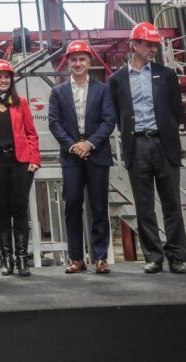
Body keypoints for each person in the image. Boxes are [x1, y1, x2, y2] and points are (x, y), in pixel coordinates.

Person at [109, 22, 186, 275]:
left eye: (155, 45)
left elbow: (177, 112)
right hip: (137, 146)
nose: (153, 49)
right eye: (147, 44)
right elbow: (116, 115)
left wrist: (165, 133)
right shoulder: (117, 80)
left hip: (163, 144)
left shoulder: (166, 76)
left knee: (171, 203)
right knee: (144, 206)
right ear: (135, 45)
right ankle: (154, 256)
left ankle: (176, 256)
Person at [48, 40, 116, 275]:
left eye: (82, 59)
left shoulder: (103, 89)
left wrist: (90, 143)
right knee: (72, 206)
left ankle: (100, 257)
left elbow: (109, 120)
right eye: (74, 59)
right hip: (72, 157)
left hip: (97, 155)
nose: (78, 63)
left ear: (89, 62)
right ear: (68, 62)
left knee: (99, 207)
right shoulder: (58, 92)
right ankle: (76, 258)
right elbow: (54, 123)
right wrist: (73, 146)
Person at [0, 60, 41, 277]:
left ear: (11, 79)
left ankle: (22, 259)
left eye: (6, 77)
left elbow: (31, 133)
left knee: (20, 209)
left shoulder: (21, 103)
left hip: (21, 162)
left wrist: (34, 159)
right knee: (3, 210)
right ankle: (7, 259)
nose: (3, 80)